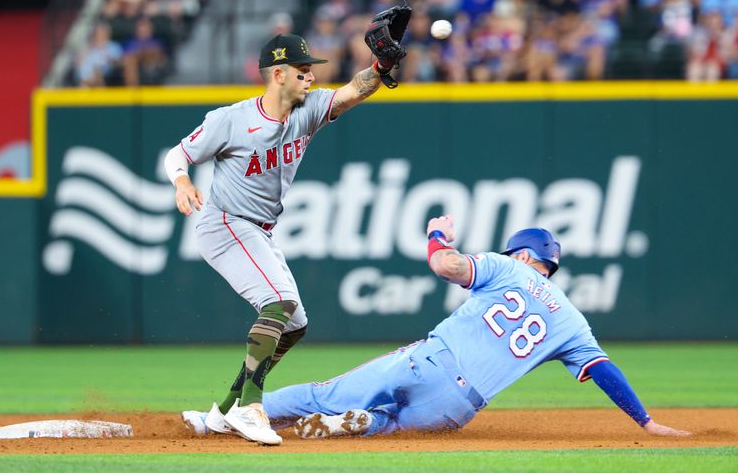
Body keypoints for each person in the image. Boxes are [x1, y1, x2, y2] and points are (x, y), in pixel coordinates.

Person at [182, 217, 691, 439]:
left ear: (522, 253)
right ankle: (358, 424)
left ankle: (220, 420)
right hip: (457, 409)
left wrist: (436, 233)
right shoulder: (572, 322)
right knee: (392, 427)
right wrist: (644, 421)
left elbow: (447, 265)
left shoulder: (506, 266)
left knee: (321, 394)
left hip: (430, 360)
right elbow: (603, 369)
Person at [167, 31, 406, 445]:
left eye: (311, 70)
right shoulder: (232, 119)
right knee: (278, 301)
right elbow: (179, 154)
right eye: (302, 70)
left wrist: (381, 68)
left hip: (259, 230)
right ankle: (250, 407)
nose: (310, 77)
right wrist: (182, 182)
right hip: (225, 223)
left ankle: (223, 412)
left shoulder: (308, 109)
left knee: (294, 325)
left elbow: (353, 91)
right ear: (278, 74)